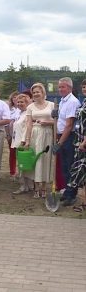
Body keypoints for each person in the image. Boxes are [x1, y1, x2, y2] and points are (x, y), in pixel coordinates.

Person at [24, 83, 54, 198]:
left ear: (43, 93)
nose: (36, 94)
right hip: (35, 135)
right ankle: (36, 187)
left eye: (38, 92)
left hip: (47, 133)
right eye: (34, 92)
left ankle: (44, 187)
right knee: (36, 159)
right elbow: (28, 124)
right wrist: (27, 140)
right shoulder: (30, 107)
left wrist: (48, 123)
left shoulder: (51, 105)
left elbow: (57, 121)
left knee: (46, 159)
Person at [61, 79, 86, 207]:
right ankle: (69, 193)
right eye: (83, 87)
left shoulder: (74, 102)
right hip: (78, 138)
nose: (85, 89)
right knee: (71, 168)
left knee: (76, 169)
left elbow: (71, 123)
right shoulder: (83, 102)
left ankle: (72, 195)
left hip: (80, 141)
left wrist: (84, 142)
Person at [53, 77, 81, 191]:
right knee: (64, 166)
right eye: (59, 87)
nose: (60, 89)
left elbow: (69, 125)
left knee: (69, 166)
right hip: (62, 136)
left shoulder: (72, 102)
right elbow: (61, 121)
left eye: (63, 87)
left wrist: (60, 143)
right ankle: (65, 191)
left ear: (69, 88)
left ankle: (70, 194)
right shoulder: (63, 100)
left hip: (68, 138)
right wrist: (56, 115)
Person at [11, 94, 34, 194]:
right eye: (18, 102)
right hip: (16, 141)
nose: (20, 104)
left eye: (22, 102)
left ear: (27, 103)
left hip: (22, 143)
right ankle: (25, 185)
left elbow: (26, 129)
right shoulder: (19, 113)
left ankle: (24, 186)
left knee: (23, 165)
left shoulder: (27, 115)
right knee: (21, 164)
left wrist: (23, 141)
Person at [5, 91, 20, 179]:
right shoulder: (8, 109)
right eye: (14, 97)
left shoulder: (23, 109)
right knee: (12, 153)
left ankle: (21, 171)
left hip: (20, 135)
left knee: (21, 153)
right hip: (11, 134)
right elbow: (6, 123)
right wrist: (8, 135)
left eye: (17, 97)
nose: (15, 99)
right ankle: (12, 172)